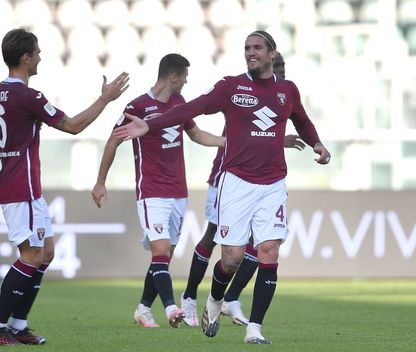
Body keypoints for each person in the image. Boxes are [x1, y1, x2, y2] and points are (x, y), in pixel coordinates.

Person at [113, 31, 331, 344]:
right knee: (232, 257)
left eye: (257, 48)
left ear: (272, 54)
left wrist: (317, 143)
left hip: (273, 183)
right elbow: (192, 108)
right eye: (247, 48)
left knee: (268, 252)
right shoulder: (231, 86)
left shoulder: (287, 90)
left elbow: (302, 120)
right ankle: (215, 299)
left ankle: (254, 329)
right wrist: (152, 124)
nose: (251, 53)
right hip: (236, 182)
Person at [0, 28, 129, 346]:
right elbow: (72, 126)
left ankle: (17, 325)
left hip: (21, 186)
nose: (40, 56)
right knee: (30, 256)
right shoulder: (30, 96)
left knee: (46, 253)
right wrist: (105, 99)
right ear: (25, 58)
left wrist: (12, 131)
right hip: (21, 186)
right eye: (37, 52)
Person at [91, 53, 224, 329]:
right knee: (160, 250)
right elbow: (113, 143)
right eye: (184, 77)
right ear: (173, 77)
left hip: (178, 191)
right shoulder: (136, 106)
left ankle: (142, 309)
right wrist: (101, 181)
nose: (186, 81)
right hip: (151, 191)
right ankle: (171, 307)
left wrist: (228, 142)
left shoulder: (179, 103)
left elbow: (196, 134)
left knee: (164, 255)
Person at [180, 51, 306, 328]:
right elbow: (247, 131)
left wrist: (280, 140)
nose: (282, 72)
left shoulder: (281, 95)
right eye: (279, 66)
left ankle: (231, 299)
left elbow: (267, 131)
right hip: (228, 176)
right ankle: (190, 296)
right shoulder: (245, 93)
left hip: (264, 181)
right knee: (216, 237)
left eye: (284, 67)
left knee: (261, 244)